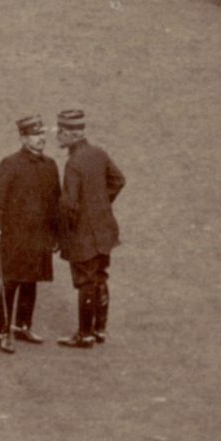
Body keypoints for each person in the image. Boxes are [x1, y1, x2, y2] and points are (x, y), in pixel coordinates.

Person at [0, 114, 62, 353]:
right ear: (23, 138)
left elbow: (55, 202)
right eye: (34, 135)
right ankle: (2, 332)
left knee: (31, 282)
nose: (40, 140)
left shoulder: (50, 165)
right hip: (14, 236)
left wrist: (56, 234)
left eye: (41, 135)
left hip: (39, 237)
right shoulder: (10, 163)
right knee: (11, 283)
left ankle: (22, 326)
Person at [53, 109, 126, 348]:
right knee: (100, 278)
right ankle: (99, 330)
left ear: (71, 135)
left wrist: (62, 233)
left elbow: (68, 204)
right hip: (105, 232)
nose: (58, 138)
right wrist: (100, 205)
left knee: (85, 282)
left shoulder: (74, 163)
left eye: (61, 133)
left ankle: (84, 334)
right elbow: (118, 180)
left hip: (83, 236)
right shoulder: (98, 153)